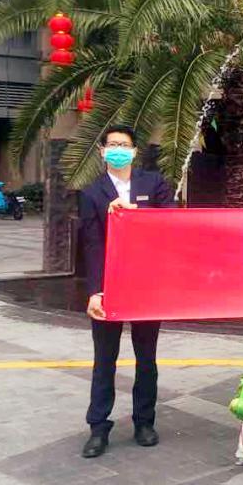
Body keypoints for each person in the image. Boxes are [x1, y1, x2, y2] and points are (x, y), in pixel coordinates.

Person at [79, 125, 173, 458]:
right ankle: (98, 427)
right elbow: (91, 245)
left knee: (146, 358)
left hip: (146, 284)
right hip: (110, 287)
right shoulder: (92, 193)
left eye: (125, 145)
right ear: (102, 151)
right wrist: (95, 292)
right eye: (113, 144)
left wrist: (136, 215)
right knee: (104, 359)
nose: (118, 149)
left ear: (134, 152)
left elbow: (170, 225)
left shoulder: (154, 184)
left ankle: (144, 422)